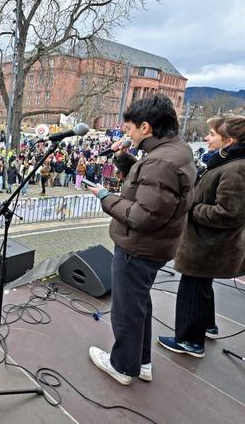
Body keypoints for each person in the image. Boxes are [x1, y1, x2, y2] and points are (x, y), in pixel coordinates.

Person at [86, 94, 196, 385]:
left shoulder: (162, 162)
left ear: (146, 127)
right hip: (154, 245)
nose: (127, 133)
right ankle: (141, 362)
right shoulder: (173, 151)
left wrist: (105, 197)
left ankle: (122, 366)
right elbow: (146, 185)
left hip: (139, 245)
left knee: (126, 309)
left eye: (130, 128)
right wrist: (123, 156)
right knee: (139, 304)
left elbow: (142, 215)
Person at [158, 116, 245, 357]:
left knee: (193, 289)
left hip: (208, 246)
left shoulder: (236, 169)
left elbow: (229, 214)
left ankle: (189, 341)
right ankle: (208, 325)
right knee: (201, 287)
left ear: (230, 141)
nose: (206, 138)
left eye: (212, 135)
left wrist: (191, 208)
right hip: (208, 244)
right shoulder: (227, 164)